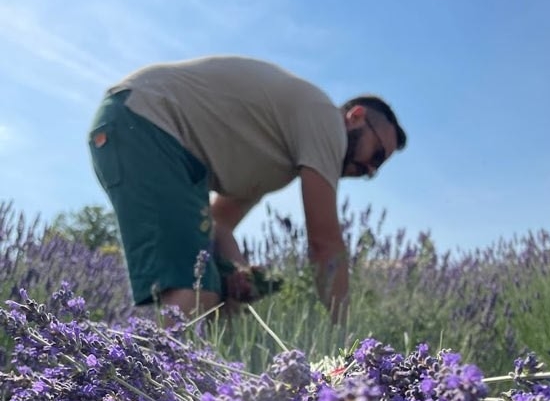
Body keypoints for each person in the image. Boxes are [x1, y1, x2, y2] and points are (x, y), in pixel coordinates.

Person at [88, 55, 407, 324]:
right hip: (146, 122)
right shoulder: (326, 120)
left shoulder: (274, 153)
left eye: (377, 170)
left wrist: (239, 272)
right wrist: (344, 337)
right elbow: (325, 245)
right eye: (376, 154)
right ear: (355, 116)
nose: (369, 169)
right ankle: (130, 388)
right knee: (195, 291)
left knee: (221, 306)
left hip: (143, 131)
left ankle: (176, 387)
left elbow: (219, 223)